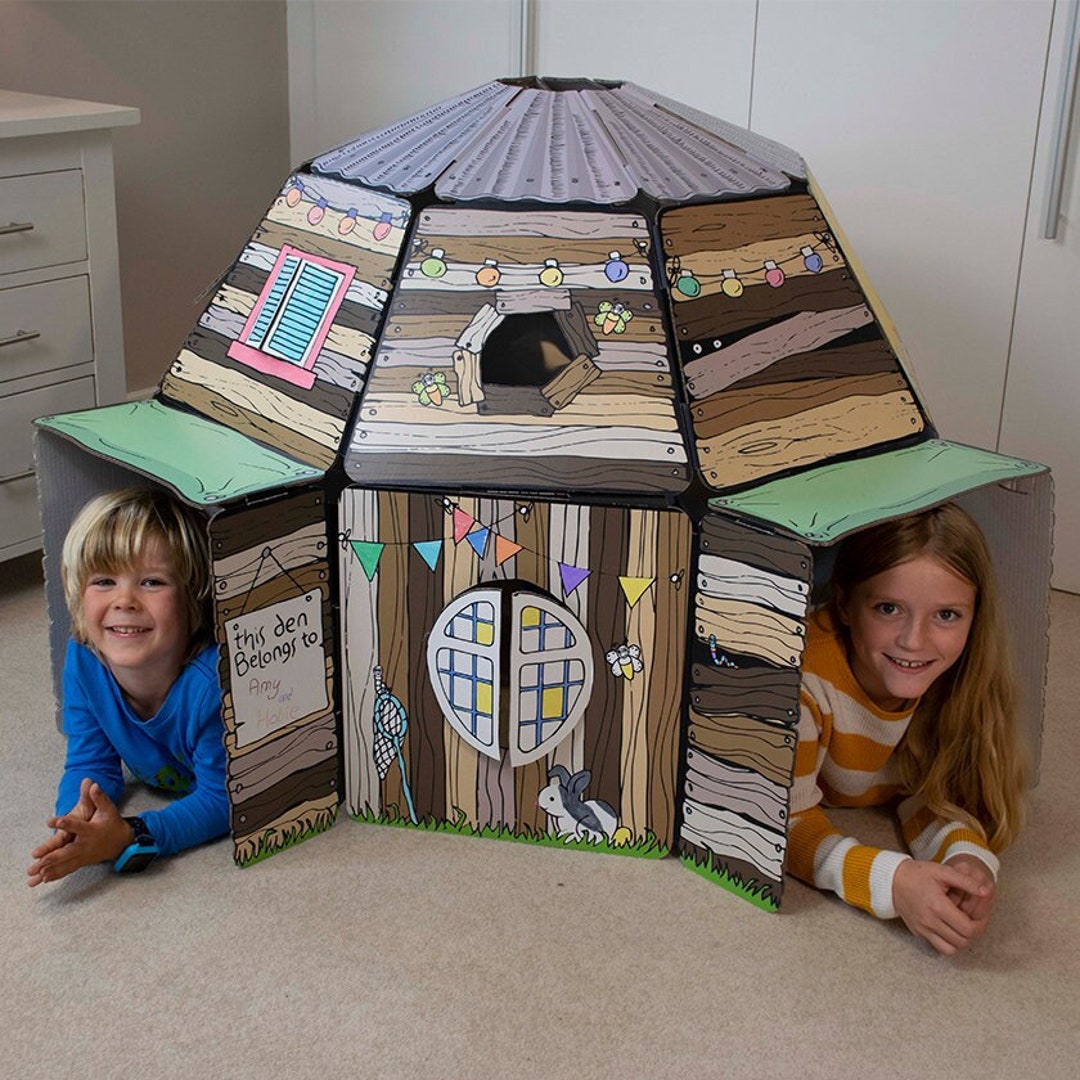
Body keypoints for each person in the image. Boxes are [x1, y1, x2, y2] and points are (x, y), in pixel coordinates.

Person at [787, 502, 1028, 955]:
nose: (914, 641)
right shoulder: (806, 680)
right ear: (844, 604)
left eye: (947, 615)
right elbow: (784, 822)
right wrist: (890, 880)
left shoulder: (957, 677)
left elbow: (927, 792)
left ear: (975, 617)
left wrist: (965, 861)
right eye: (888, 608)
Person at [27, 488, 230, 886]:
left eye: (152, 582)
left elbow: (222, 798)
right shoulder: (85, 661)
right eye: (103, 581)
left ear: (192, 603)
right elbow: (90, 764)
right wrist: (76, 823)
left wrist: (130, 834)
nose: (125, 600)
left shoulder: (212, 686)